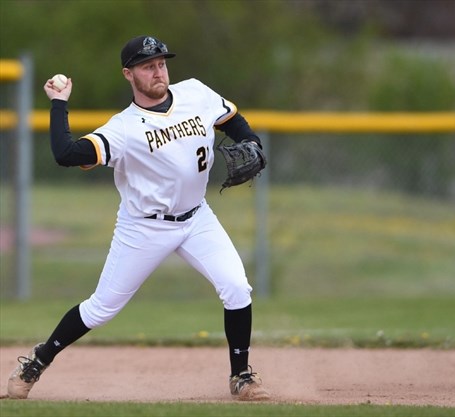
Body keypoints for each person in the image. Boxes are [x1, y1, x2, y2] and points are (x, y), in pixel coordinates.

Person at [7, 35, 270, 401]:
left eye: (161, 63)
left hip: (197, 219)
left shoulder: (195, 92)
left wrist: (253, 141)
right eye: (148, 66)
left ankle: (241, 376)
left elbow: (232, 120)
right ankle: (37, 360)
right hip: (144, 227)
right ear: (129, 74)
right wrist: (58, 104)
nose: (158, 71)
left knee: (237, 288)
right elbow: (66, 154)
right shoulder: (123, 128)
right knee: (101, 309)